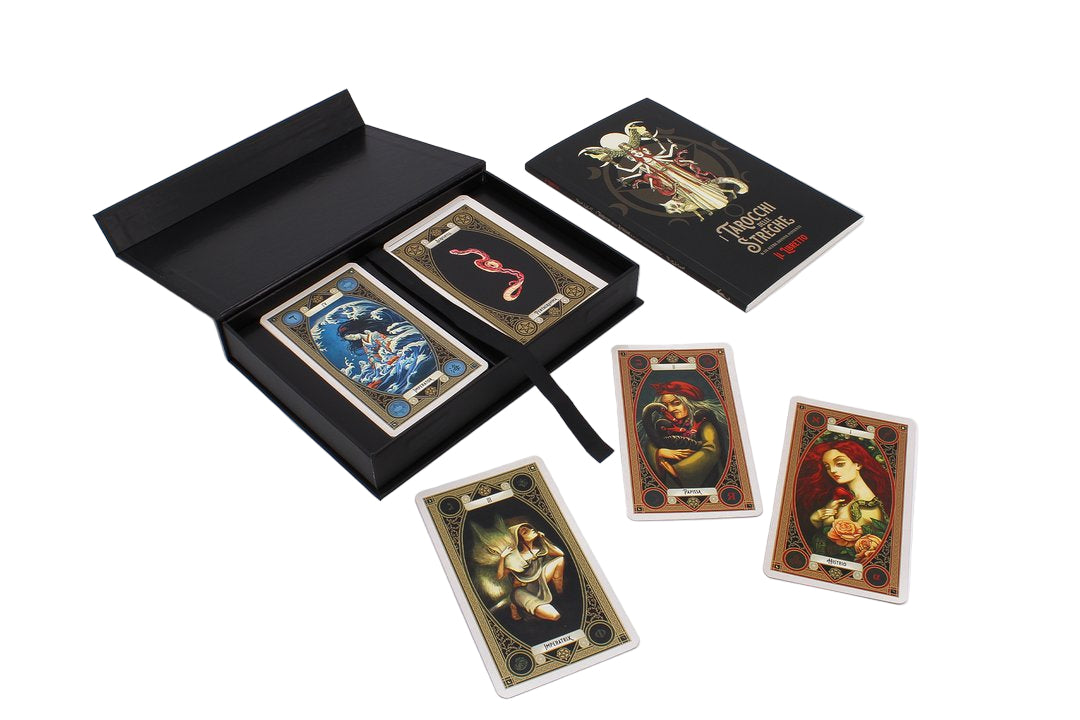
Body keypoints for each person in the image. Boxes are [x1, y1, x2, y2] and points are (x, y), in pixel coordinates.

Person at [796, 440, 892, 562]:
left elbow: (842, 552)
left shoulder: (870, 507)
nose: (832, 471)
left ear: (858, 464)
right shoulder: (843, 497)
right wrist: (816, 519)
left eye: (840, 464)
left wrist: (823, 521)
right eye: (827, 467)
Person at [637, 380, 729, 488]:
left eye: (676, 403)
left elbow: (711, 449)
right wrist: (659, 453)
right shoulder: (663, 424)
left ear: (688, 402)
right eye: (666, 406)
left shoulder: (703, 423)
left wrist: (678, 471)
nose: (670, 409)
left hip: (703, 479)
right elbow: (651, 444)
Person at [496, 520, 566, 622]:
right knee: (555, 616)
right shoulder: (516, 558)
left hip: (539, 582)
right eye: (525, 532)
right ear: (519, 540)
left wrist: (543, 539)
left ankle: (560, 592)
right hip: (522, 590)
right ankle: (515, 606)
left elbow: (560, 554)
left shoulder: (539, 550)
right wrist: (502, 558)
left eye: (530, 528)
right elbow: (500, 576)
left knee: (560, 560)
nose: (531, 530)